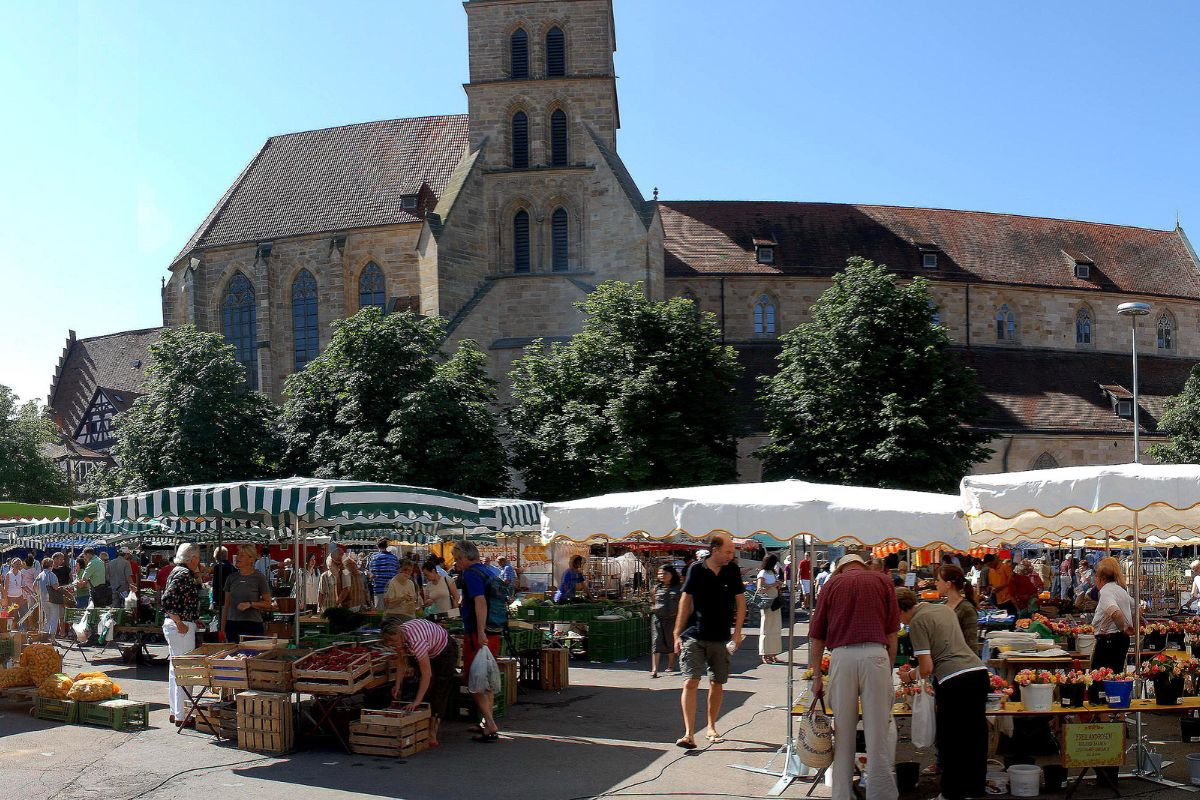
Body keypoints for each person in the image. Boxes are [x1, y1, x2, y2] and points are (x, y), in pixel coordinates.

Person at [809, 554, 899, 800]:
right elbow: (893, 632)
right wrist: (887, 668)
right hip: (876, 655)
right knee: (877, 734)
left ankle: (841, 795)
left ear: (840, 569)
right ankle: (881, 795)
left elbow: (816, 636)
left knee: (843, 732)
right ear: (862, 565)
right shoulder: (882, 581)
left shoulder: (831, 584)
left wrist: (817, 675)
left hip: (842, 657)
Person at [896, 588, 988, 800]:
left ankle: (951, 793)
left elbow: (926, 667)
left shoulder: (917, 623)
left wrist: (909, 676)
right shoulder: (943, 609)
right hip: (977, 672)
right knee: (975, 737)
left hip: (954, 680)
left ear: (901, 610)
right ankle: (974, 790)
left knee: (951, 740)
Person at [673, 534, 746, 749]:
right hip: (694, 634)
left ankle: (711, 726)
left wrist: (736, 633)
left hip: (721, 636)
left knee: (717, 682)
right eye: (728, 551)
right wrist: (677, 633)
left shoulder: (731, 570)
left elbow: (741, 603)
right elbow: (685, 601)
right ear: (715, 550)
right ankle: (688, 734)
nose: (731, 556)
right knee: (690, 681)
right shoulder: (696, 569)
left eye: (732, 552)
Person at [380, 615, 459, 748]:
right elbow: (401, 662)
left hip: (445, 651)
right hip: (430, 649)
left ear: (400, 633)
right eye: (388, 641)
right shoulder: (400, 637)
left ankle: (432, 733)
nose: (390, 644)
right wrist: (397, 684)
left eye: (392, 640)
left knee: (438, 689)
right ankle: (421, 726)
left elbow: (426, 675)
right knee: (421, 687)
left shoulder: (417, 642)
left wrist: (417, 701)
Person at [454, 539, 502, 742]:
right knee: (487, 680)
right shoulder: (488, 571)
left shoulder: (471, 573)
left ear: (466, 557)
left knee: (475, 679)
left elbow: (480, 601)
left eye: (457, 559)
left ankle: (490, 724)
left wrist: (480, 631)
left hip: (478, 633)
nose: (456, 563)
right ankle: (485, 721)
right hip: (494, 630)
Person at [161, 543, 203, 726]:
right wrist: (180, 622)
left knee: (175, 670)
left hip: (178, 624)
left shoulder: (177, 571)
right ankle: (182, 715)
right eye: (198, 558)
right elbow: (167, 600)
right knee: (185, 670)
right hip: (180, 626)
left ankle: (175, 712)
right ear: (193, 558)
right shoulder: (184, 574)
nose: (199, 562)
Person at [1090, 556, 1135, 673]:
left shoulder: (1105, 592)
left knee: (1099, 680)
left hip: (1108, 642)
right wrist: (1131, 625)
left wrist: (1124, 628)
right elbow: (1137, 608)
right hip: (1121, 641)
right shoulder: (1121, 590)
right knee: (1115, 677)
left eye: (1096, 577)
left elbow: (1115, 613)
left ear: (1102, 578)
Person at [221, 544, 273, 643]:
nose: (238, 558)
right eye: (238, 554)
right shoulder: (231, 578)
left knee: (252, 656)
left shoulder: (259, 578)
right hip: (232, 625)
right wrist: (222, 629)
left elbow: (268, 603)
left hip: (252, 625)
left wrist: (250, 604)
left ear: (251, 559)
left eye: (242, 555)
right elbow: (226, 605)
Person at [650, 563, 682, 677]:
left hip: (673, 619)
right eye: (659, 573)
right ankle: (654, 669)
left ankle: (670, 665)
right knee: (656, 641)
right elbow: (652, 600)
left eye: (665, 573)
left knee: (670, 642)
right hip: (658, 618)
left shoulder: (679, 588)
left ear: (672, 574)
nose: (662, 575)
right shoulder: (656, 588)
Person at [936, 564, 979, 648]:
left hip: (961, 659)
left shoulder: (966, 609)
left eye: (938, 580)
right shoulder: (943, 606)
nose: (936, 583)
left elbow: (971, 644)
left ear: (948, 584)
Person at [756, 553, 783, 664]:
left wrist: (778, 585)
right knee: (766, 628)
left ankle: (773, 653)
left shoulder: (772, 572)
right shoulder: (762, 573)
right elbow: (760, 588)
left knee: (776, 628)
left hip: (775, 601)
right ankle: (765, 654)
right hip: (767, 602)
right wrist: (773, 585)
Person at [368, 538, 400, 612]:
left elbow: (371, 574)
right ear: (387, 546)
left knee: (380, 613)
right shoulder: (394, 558)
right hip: (392, 589)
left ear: (377, 546)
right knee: (392, 613)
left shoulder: (373, 557)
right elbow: (397, 572)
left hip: (379, 589)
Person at [34, 558, 61, 636]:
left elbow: (34, 586)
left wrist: (38, 593)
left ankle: (45, 635)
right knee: (54, 618)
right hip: (52, 599)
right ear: (51, 566)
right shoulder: (51, 574)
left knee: (47, 618)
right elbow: (55, 587)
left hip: (43, 599)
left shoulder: (40, 575)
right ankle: (52, 637)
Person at [210, 547, 235, 633]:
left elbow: (216, 585)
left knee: (222, 621)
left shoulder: (218, 567)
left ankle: (222, 636)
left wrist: (214, 601)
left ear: (216, 556)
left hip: (221, 598)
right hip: (232, 599)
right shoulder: (232, 567)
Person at [3, 557, 27, 629]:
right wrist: (5, 599)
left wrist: (31, 593)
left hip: (20, 597)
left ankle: (21, 630)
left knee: (23, 613)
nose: (18, 565)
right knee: (12, 615)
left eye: (19, 564)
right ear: (13, 564)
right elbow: (5, 588)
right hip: (11, 598)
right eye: (16, 564)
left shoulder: (21, 574)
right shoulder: (8, 574)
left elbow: (23, 586)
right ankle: (11, 630)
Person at [50, 552, 71, 636]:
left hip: (63, 592)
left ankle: (62, 632)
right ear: (55, 559)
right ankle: (54, 632)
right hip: (53, 593)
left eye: (62, 559)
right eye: (60, 558)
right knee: (54, 614)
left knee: (62, 614)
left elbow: (71, 580)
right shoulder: (50, 570)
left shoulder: (66, 569)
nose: (62, 560)